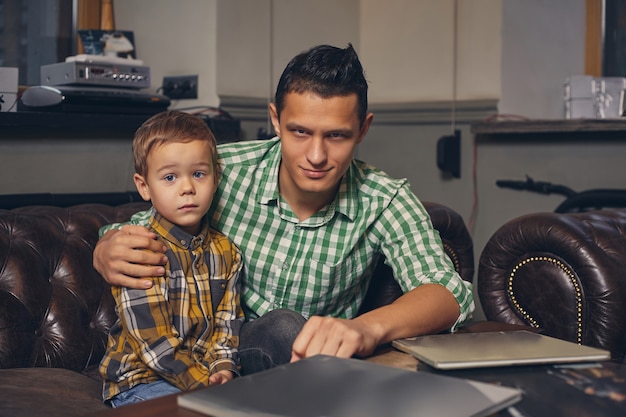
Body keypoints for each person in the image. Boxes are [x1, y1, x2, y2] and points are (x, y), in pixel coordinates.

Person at [94, 44, 474, 375]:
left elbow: (449, 293)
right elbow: (141, 225)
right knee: (282, 326)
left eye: (337, 135)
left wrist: (364, 328)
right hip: (210, 353)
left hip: (302, 365)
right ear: (275, 120)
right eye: (300, 132)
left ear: (363, 129)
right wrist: (106, 247)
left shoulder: (383, 199)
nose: (316, 156)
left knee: (286, 328)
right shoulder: (218, 171)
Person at [99, 111, 244, 407]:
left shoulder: (227, 252)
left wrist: (223, 367)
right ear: (144, 186)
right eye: (170, 177)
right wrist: (206, 386)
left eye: (199, 174)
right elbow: (153, 345)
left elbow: (227, 324)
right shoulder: (140, 250)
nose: (187, 187)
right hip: (140, 380)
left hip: (200, 377)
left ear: (215, 177)